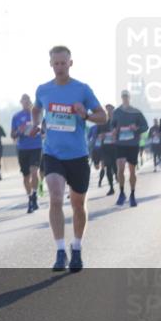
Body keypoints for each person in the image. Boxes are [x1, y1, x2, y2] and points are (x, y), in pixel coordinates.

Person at [30, 46, 106, 272]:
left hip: (78, 155)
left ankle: (77, 248)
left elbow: (103, 116)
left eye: (64, 63)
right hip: (53, 153)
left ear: (70, 63)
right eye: (56, 63)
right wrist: (36, 124)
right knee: (55, 196)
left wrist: (87, 115)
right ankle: (60, 250)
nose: (60, 67)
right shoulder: (43, 89)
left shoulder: (82, 89)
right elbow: (36, 109)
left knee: (78, 204)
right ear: (51, 64)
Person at [111, 90, 149, 207]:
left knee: (132, 170)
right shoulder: (117, 112)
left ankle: (132, 194)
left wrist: (136, 128)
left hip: (132, 144)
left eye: (126, 96)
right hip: (120, 144)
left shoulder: (136, 112)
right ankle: (122, 193)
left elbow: (145, 126)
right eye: (123, 96)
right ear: (121, 98)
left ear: (130, 98)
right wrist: (114, 130)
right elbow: (112, 124)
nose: (125, 98)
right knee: (120, 168)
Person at [11, 94, 42, 213]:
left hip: (36, 146)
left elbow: (43, 128)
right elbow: (12, 135)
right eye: (24, 101)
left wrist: (36, 129)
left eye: (28, 101)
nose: (26, 103)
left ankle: (34, 194)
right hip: (23, 148)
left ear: (30, 102)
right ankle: (29, 197)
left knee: (35, 171)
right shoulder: (16, 117)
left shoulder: (37, 114)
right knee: (26, 176)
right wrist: (20, 131)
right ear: (21, 102)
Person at [96, 104, 118, 195]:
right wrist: (103, 135)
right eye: (107, 110)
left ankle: (117, 175)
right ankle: (111, 187)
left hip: (116, 147)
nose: (109, 112)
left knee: (115, 167)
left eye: (110, 110)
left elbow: (121, 132)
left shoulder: (117, 122)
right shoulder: (102, 123)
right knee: (108, 167)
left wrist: (115, 134)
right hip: (105, 148)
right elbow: (98, 135)